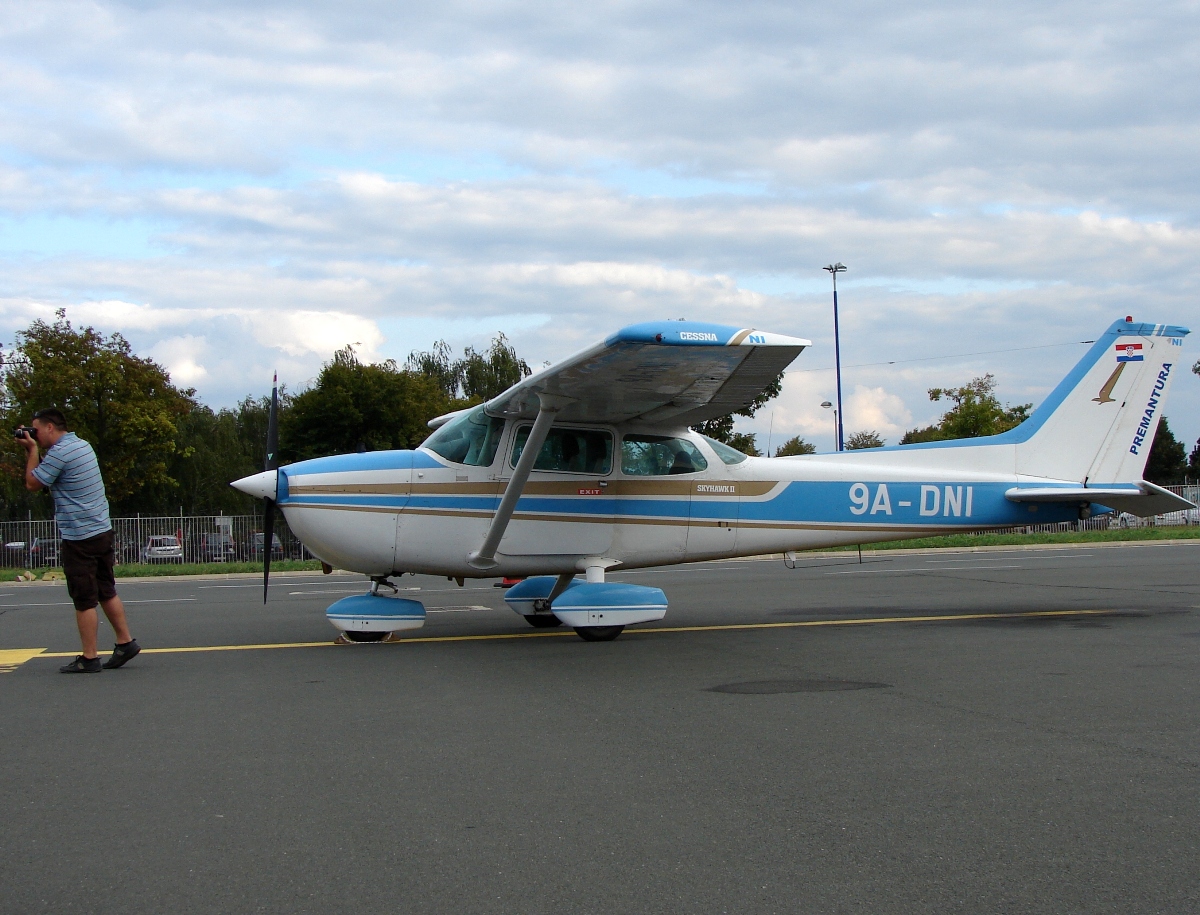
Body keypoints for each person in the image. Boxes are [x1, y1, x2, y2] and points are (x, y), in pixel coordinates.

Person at [18, 408, 140, 673]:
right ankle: (125, 641)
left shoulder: (59, 453)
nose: (34, 435)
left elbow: (32, 483)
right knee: (106, 589)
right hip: (101, 529)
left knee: (84, 598)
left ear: (50, 427)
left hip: (80, 535)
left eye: (35, 430)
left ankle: (89, 657)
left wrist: (31, 451)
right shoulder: (81, 445)